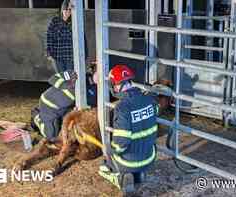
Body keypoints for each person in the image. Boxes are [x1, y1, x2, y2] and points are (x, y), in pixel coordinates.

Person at [98, 64, 158, 193]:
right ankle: (139, 175)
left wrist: (111, 150)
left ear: (116, 85)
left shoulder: (122, 108)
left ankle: (120, 179)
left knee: (105, 158)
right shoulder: (149, 99)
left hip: (129, 162)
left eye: (112, 85)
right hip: (149, 157)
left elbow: (122, 141)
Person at [31, 69, 97, 142]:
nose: (99, 77)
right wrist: (67, 85)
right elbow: (52, 79)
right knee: (51, 136)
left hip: (64, 109)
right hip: (48, 104)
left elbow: (89, 106)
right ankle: (36, 117)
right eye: (98, 72)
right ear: (94, 70)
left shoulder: (96, 91)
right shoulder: (75, 74)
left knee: (63, 133)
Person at [46, 0, 74, 73]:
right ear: (62, 9)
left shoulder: (74, 22)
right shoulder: (55, 21)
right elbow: (49, 37)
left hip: (70, 56)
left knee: (69, 79)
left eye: (70, 10)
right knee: (61, 79)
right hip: (57, 56)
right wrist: (49, 52)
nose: (68, 12)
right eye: (66, 9)